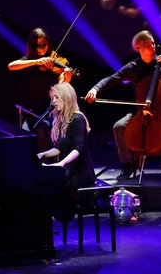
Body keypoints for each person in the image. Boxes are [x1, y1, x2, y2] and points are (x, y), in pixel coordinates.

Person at [84, 30, 161, 180]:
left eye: (153, 44)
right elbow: (111, 79)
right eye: (147, 45)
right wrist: (94, 89)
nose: (152, 47)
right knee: (118, 127)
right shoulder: (134, 67)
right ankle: (127, 163)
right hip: (138, 111)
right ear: (138, 48)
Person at [36, 82, 96, 222]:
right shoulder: (62, 119)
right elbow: (59, 148)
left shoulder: (77, 118)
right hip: (69, 170)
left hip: (81, 172)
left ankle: (52, 219)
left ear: (67, 98)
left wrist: (61, 164)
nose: (53, 102)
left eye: (57, 97)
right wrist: (42, 154)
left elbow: (78, 149)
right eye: (52, 98)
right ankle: (47, 220)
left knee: (49, 185)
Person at [8, 27, 73, 153]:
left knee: (42, 128)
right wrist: (37, 62)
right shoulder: (29, 61)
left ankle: (46, 165)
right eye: (38, 45)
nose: (42, 48)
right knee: (24, 136)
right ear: (32, 46)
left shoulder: (55, 62)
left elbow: (60, 88)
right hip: (29, 111)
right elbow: (11, 66)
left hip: (49, 111)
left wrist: (67, 79)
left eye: (44, 44)